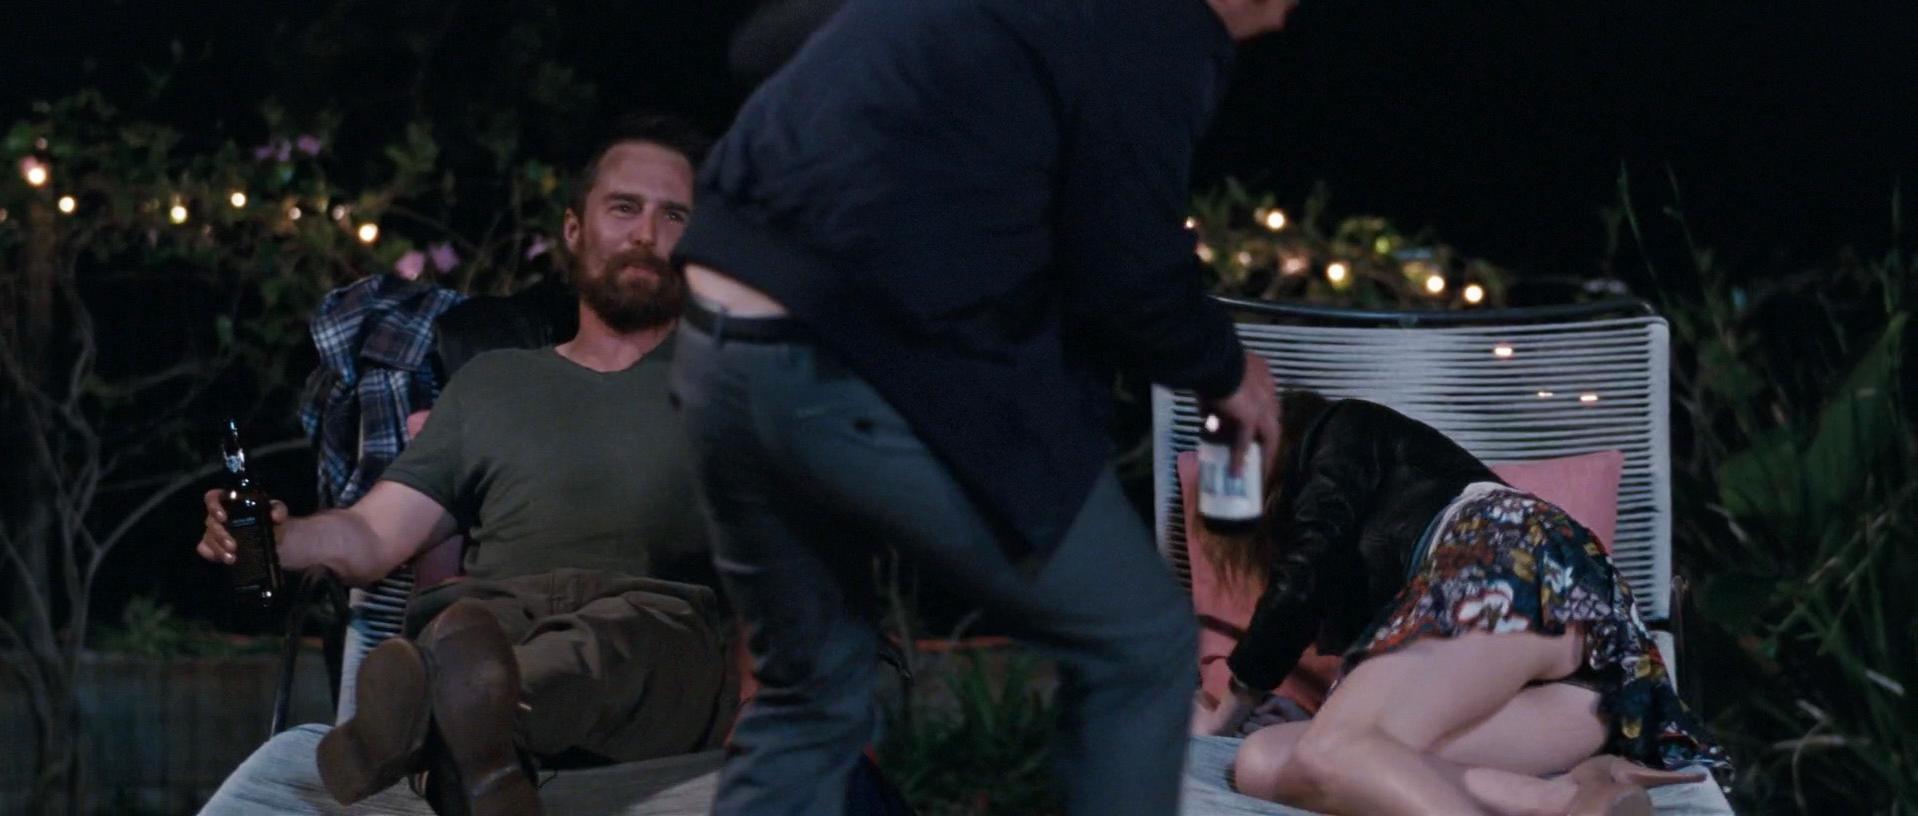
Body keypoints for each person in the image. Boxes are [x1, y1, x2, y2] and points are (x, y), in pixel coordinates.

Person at [667, 1, 1301, 812]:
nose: (1281, 21)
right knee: (1139, 643)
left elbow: (761, 44)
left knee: (810, 688)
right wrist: (1226, 369)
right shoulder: (1155, 22)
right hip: (853, 354)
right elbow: (1129, 267)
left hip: (716, 346)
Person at [195, 113, 736, 816]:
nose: (646, 233)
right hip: (490, 622)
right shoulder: (491, 381)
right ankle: (475, 739)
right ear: (575, 230)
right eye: (624, 207)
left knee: (622, 638)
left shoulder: (730, 386)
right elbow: (373, 534)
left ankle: (428, 720)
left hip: (655, 636)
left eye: (674, 216)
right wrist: (276, 536)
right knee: (465, 631)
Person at [1189, 391, 1732, 816]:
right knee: (1265, 762)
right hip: (1586, 702)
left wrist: (1222, 714)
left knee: (1332, 747)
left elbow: (1303, 575)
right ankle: (1570, 796)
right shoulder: (1386, 600)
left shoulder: (1340, 427)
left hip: (1515, 559)